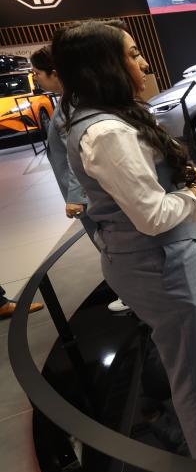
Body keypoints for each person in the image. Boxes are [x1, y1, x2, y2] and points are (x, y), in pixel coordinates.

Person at [53, 20, 196, 472]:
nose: (143, 63)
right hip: (156, 261)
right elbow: (151, 215)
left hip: (156, 257)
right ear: (105, 65)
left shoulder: (108, 117)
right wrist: (195, 193)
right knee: (190, 360)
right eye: (133, 54)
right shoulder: (107, 132)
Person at [30, 45, 130, 315]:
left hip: (90, 195)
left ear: (54, 73)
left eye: (37, 73)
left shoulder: (70, 105)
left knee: (108, 242)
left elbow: (76, 152)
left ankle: (130, 293)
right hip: (96, 192)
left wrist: (76, 197)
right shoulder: (74, 98)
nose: (36, 78)